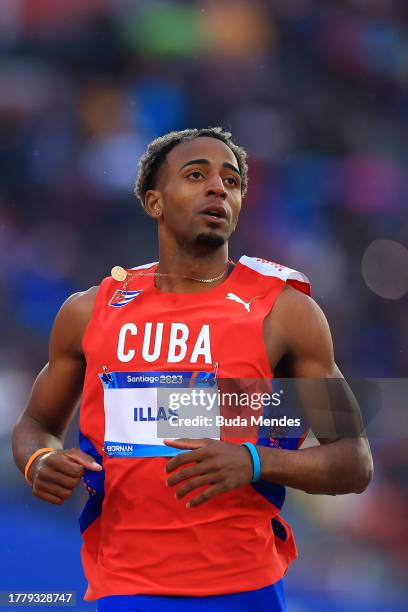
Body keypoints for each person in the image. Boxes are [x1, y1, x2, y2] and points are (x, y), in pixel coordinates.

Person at [12, 127, 373, 612]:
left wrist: (254, 461)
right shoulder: (90, 311)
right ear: (154, 202)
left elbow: (354, 460)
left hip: (244, 586)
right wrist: (39, 461)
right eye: (196, 175)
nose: (217, 188)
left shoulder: (286, 314)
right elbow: (36, 424)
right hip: (126, 586)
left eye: (232, 181)